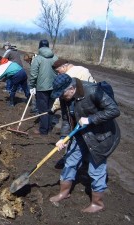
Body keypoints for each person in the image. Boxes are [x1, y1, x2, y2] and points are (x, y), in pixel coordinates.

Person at [49, 74, 120, 213]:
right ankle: (64, 192)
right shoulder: (65, 98)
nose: (62, 97)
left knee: (96, 169)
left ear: (72, 88)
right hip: (80, 133)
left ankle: (97, 203)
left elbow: (114, 110)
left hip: (101, 136)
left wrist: (90, 119)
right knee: (70, 161)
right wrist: (63, 137)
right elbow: (66, 119)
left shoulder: (93, 91)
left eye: (63, 94)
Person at [51, 59, 97, 169]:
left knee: (79, 135)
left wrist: (53, 108)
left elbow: (62, 96)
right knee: (83, 135)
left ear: (64, 67)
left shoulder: (69, 76)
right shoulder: (83, 69)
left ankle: (73, 158)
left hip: (82, 108)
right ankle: (81, 158)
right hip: (87, 107)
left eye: (58, 71)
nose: (58, 73)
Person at [28, 39, 58, 135]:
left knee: (42, 109)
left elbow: (33, 74)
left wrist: (32, 86)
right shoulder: (55, 58)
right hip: (54, 87)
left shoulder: (37, 59)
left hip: (42, 88)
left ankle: (43, 130)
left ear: (39, 47)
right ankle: (48, 128)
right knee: (49, 108)